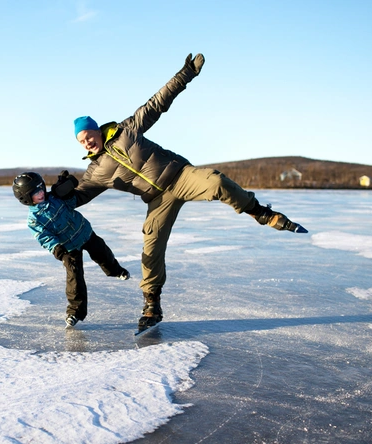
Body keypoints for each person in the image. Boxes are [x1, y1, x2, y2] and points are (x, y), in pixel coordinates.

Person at [58, 52, 308, 332]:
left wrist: (186, 73)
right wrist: (52, 196)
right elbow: (78, 198)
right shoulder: (96, 171)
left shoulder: (126, 131)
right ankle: (152, 304)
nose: (85, 143)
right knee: (151, 248)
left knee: (216, 182)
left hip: (179, 175)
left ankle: (260, 212)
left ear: (95, 130)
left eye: (87, 136)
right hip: (158, 200)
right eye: (80, 141)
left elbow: (157, 103)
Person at [12, 171, 130, 328]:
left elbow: (72, 202)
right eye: (35, 193)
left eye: (41, 188)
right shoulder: (34, 220)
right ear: (25, 198)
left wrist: (66, 191)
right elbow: (43, 237)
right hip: (68, 248)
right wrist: (56, 249)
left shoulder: (55, 198)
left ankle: (116, 271)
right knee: (74, 279)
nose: (40, 193)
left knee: (102, 253)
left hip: (84, 232)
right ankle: (75, 312)